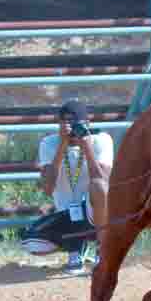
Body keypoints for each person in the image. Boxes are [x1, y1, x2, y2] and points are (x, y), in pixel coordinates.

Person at [21, 100, 113, 274]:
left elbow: (103, 182)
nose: (71, 130)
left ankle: (102, 249)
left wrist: (86, 148)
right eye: (66, 124)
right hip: (66, 215)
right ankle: (76, 246)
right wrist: (62, 146)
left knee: (100, 187)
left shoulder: (101, 140)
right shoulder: (50, 143)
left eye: (75, 124)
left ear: (87, 124)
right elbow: (48, 188)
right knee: (31, 243)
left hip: (94, 213)